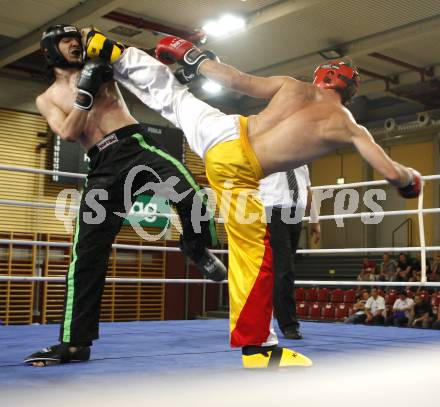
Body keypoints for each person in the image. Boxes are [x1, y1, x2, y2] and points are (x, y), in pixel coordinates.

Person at [85, 30, 422, 368]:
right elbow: (393, 175)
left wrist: (195, 58)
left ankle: (115, 53)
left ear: (320, 78)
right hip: (238, 170)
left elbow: (233, 78)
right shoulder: (348, 126)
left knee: (174, 97)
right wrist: (410, 179)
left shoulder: (292, 85)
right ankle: (258, 349)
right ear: (350, 91)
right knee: (253, 256)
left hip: (225, 131)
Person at [24, 25, 226, 367]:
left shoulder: (103, 64)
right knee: (86, 253)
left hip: (136, 146)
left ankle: (194, 245)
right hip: (101, 166)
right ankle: (75, 344)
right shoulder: (46, 98)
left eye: (76, 39)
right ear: (50, 50)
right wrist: (86, 91)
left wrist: (97, 47)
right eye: (66, 40)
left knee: (190, 194)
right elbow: (69, 132)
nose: (75, 43)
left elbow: (136, 67)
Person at [259, 165, 321, 340]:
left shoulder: (302, 162)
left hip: (296, 214)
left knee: (284, 269)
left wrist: (315, 220)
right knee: (284, 268)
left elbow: (308, 190)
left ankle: (276, 318)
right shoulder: (267, 154)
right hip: (273, 212)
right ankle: (289, 325)